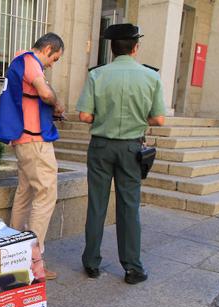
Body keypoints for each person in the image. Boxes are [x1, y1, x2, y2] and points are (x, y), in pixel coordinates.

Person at [76, 23, 165, 284]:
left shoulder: (97, 75)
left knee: (97, 205)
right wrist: (138, 118)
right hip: (132, 148)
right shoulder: (151, 76)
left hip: (101, 146)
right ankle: (133, 268)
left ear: (112, 48)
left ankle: (91, 263)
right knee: (129, 207)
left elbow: (84, 115)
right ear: (136, 47)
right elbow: (159, 119)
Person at [0, 32, 65, 281]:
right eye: (54, 58)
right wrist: (56, 104)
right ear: (47, 48)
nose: (52, 64)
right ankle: (33, 260)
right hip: (34, 140)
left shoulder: (17, 61)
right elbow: (45, 93)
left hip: (22, 139)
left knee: (25, 193)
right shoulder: (31, 61)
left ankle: (14, 257)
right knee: (46, 194)